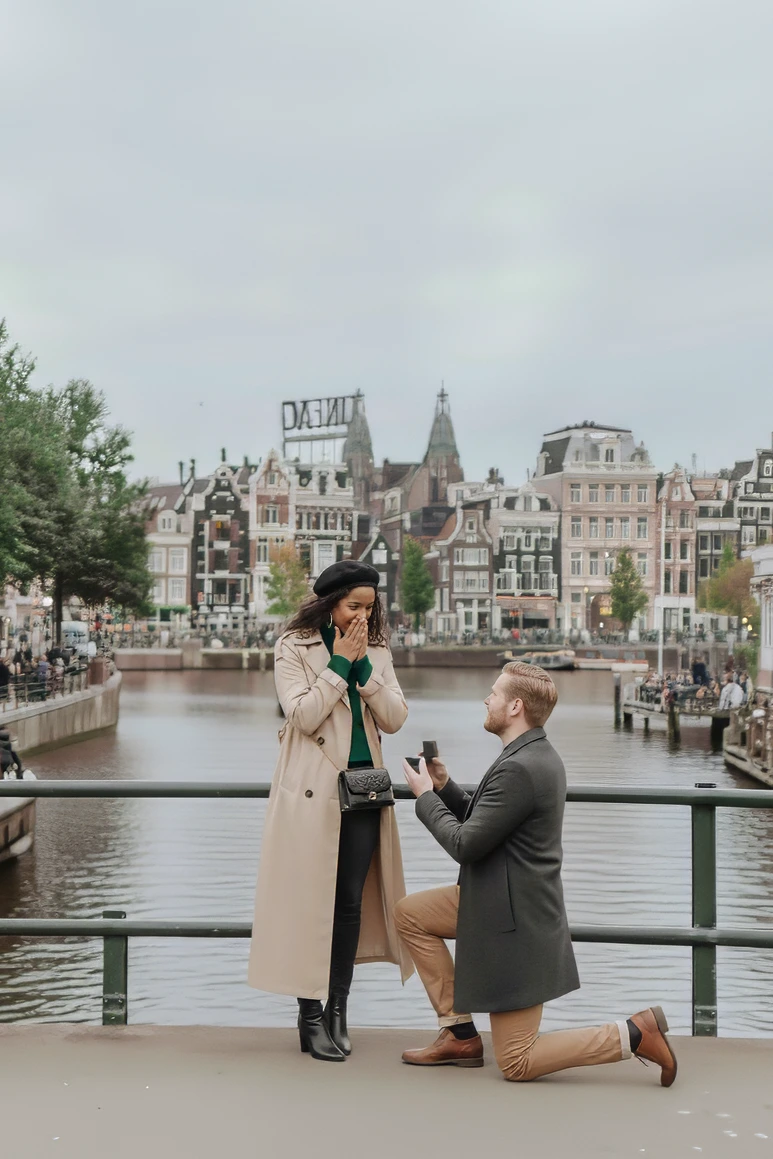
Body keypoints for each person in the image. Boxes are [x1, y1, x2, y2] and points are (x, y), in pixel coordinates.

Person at [396, 661, 677, 1086]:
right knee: (410, 914)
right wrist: (446, 787)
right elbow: (487, 824)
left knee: (516, 1062)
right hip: (498, 902)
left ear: (515, 707)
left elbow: (466, 844)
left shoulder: (519, 768)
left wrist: (423, 797)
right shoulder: (532, 755)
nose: (486, 699)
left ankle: (635, 1034)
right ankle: (459, 1033)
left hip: (514, 923)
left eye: (493, 693)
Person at [248, 560, 413, 1062]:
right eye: (353, 606)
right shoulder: (293, 647)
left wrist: (364, 670)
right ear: (330, 603)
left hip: (364, 790)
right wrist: (339, 664)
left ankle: (339, 1007)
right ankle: (310, 1014)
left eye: (370, 607)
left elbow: (396, 717)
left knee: (348, 902)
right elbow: (301, 714)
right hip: (311, 793)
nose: (362, 616)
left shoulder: (379, 651)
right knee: (310, 901)